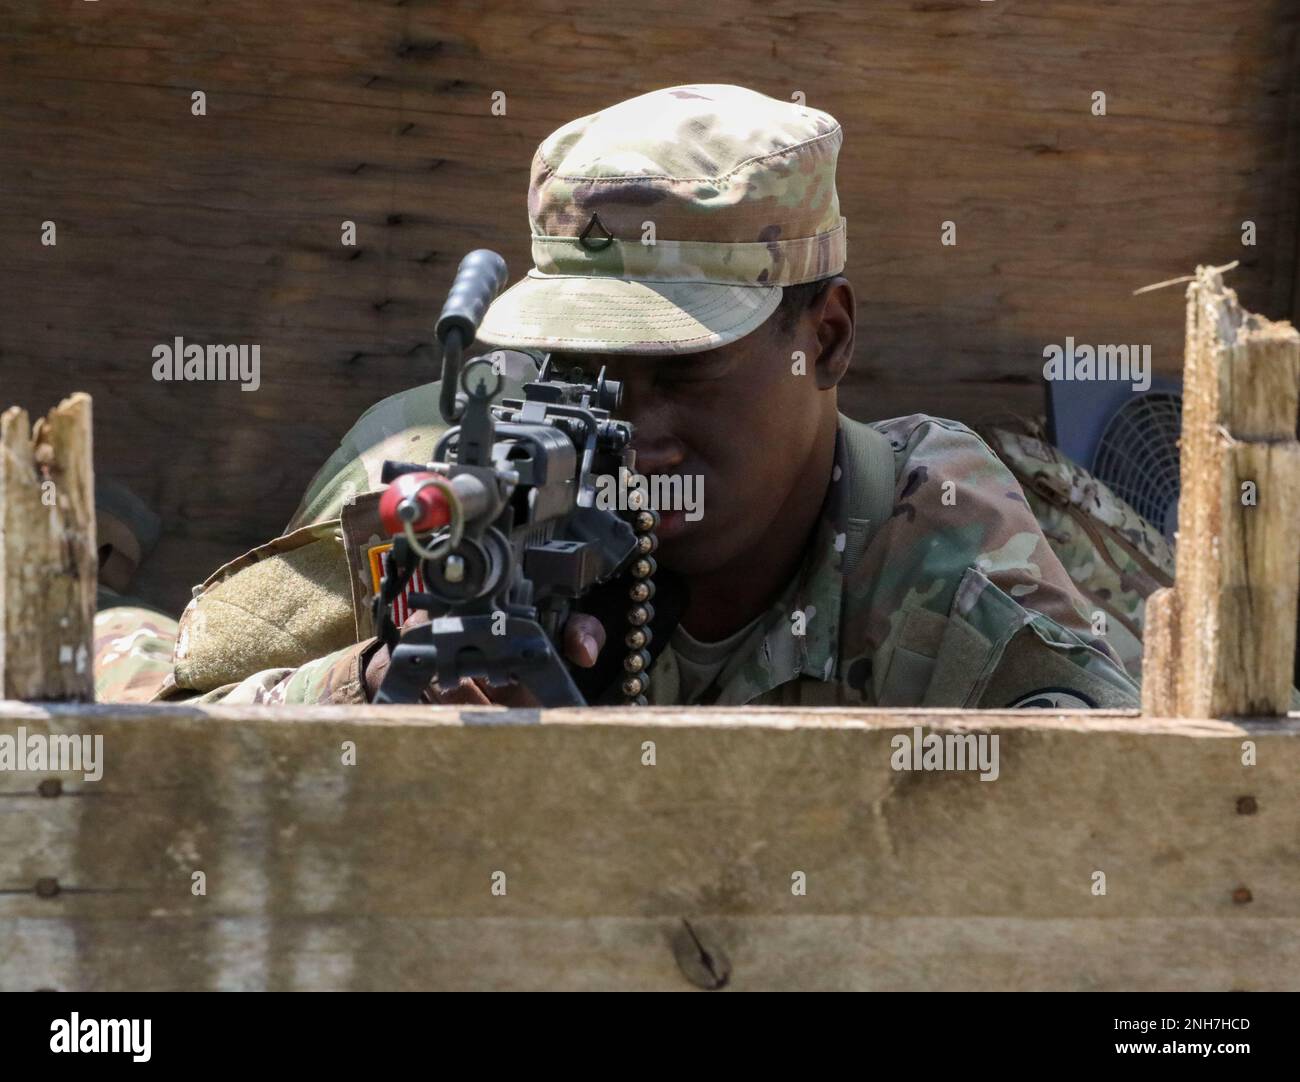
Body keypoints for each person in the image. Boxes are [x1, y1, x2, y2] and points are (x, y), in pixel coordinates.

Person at [98, 83, 1139, 710]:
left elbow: (1123, 833)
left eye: (682, 372)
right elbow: (152, 710)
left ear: (824, 341)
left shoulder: (941, 552)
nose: (633, 430)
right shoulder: (467, 482)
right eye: (583, 369)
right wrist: (375, 689)